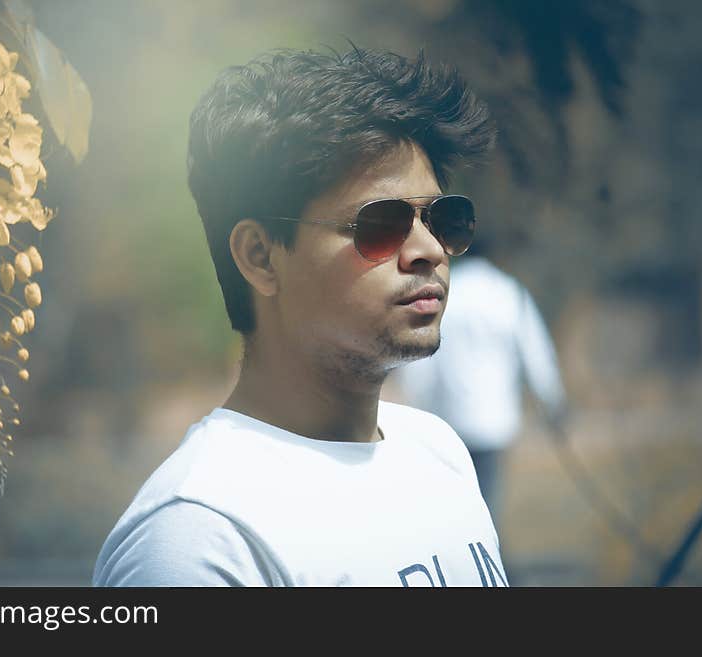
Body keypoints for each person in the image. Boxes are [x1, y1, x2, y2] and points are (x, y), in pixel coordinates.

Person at [93, 46, 508, 587]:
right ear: (260, 257)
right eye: (381, 224)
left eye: (442, 217)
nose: (427, 248)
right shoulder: (199, 540)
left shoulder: (438, 451)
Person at [393, 238, 567, 532]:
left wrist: (419, 405)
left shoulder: (446, 293)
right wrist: (553, 400)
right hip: (495, 420)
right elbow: (535, 351)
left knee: (454, 499)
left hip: (449, 420)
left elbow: (422, 358)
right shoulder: (507, 292)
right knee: (488, 501)